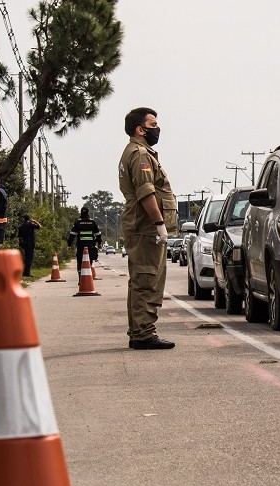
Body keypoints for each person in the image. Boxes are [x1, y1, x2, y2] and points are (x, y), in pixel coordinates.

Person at [118, 107, 177, 350]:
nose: (157, 128)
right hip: (146, 228)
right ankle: (143, 333)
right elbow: (146, 192)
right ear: (139, 129)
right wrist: (160, 223)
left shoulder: (138, 152)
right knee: (147, 280)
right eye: (152, 124)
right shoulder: (140, 154)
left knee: (141, 279)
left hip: (142, 227)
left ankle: (139, 331)